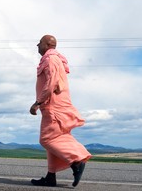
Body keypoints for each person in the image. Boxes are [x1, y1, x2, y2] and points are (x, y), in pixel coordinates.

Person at [30, 35, 92, 187]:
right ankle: (50, 177)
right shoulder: (55, 59)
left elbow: (52, 83)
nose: (37, 45)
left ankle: (76, 161)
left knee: (47, 139)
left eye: (40, 42)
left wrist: (37, 102)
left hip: (53, 106)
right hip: (55, 106)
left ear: (47, 44)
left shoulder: (50, 59)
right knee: (56, 138)